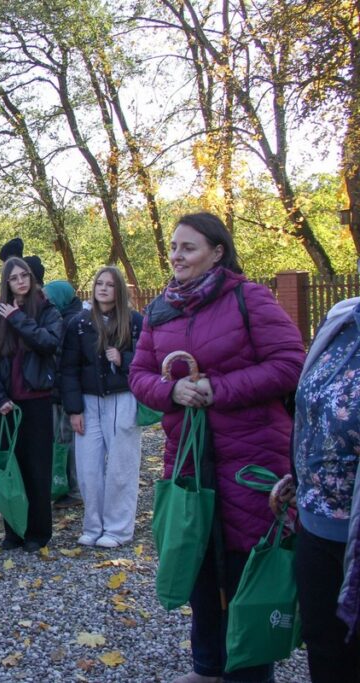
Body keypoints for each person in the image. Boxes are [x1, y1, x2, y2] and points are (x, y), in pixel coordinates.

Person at [129, 211, 305, 683]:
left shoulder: (250, 299)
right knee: (199, 563)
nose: (176, 256)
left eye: (188, 247)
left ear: (217, 252)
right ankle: (208, 668)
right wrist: (172, 393)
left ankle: (249, 673)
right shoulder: (159, 309)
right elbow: (139, 374)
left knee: (246, 569)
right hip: (188, 460)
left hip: (250, 460)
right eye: (173, 247)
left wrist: (217, 389)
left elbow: (290, 363)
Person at [268, 291, 360, 682]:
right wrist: (301, 473)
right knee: (322, 642)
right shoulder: (341, 319)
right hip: (316, 520)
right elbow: (310, 408)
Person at [0, 257, 63, 553]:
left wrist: (18, 318)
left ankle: (38, 532)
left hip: (37, 402)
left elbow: (49, 343)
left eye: (24, 275)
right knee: (9, 469)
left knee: (37, 469)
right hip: (5, 406)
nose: (21, 281)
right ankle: (13, 529)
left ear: (32, 278)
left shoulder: (46, 310)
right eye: (14, 278)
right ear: (7, 283)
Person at [60, 266, 143, 548]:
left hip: (123, 397)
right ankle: (93, 525)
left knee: (122, 466)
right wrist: (73, 409)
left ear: (118, 289)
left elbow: (147, 360)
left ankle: (118, 529)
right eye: (99, 284)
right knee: (88, 469)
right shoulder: (79, 323)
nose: (103, 288)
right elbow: (68, 369)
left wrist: (124, 359)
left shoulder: (134, 322)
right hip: (88, 401)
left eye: (109, 284)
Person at [43, 279, 85, 509]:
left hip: (66, 391)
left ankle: (74, 490)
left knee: (67, 441)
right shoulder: (66, 317)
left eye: (49, 297)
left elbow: (65, 361)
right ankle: (65, 486)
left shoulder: (70, 322)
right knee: (63, 440)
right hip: (61, 390)